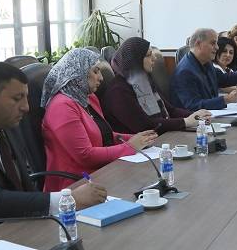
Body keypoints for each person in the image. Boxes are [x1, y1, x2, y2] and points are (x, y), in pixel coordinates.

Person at [0, 62, 106, 250]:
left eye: (26, 97)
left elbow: (24, 186)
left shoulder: (4, 124)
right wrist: (68, 199)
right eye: (17, 98)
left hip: (16, 228)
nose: (26, 107)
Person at [41, 48, 158, 191]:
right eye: (96, 71)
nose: (101, 78)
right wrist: (130, 146)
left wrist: (137, 139)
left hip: (101, 172)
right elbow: (85, 155)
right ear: (77, 72)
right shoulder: (62, 106)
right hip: (75, 186)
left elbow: (103, 134)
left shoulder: (88, 97)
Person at [101, 37, 211, 135]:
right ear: (135, 60)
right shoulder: (118, 91)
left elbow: (170, 110)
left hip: (159, 137)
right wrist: (185, 122)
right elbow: (144, 125)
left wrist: (196, 115)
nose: (154, 58)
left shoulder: (143, 81)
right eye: (149, 55)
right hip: (139, 146)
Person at [171, 28, 237, 111]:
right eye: (213, 43)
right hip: (196, 117)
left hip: (211, 113)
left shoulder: (206, 62)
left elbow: (223, 79)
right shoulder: (185, 72)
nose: (217, 47)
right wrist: (227, 99)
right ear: (199, 44)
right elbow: (193, 105)